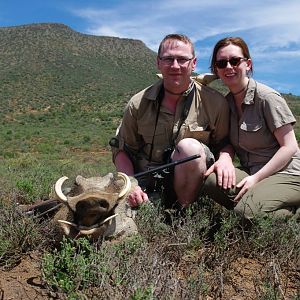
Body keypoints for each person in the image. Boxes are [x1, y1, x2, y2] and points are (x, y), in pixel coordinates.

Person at [110, 34, 235, 209]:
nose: (175, 66)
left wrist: (226, 159)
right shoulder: (138, 103)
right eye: (168, 59)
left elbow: (224, 143)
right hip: (146, 182)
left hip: (194, 185)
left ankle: (183, 214)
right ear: (158, 62)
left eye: (182, 59)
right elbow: (122, 151)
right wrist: (132, 185)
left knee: (189, 148)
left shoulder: (215, 103)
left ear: (193, 63)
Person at [203, 36, 300, 219]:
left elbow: (290, 146)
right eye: (222, 63)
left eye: (234, 61)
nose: (229, 67)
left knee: (246, 212)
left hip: (289, 173)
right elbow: (226, 141)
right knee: (211, 181)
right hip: (252, 171)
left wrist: (256, 179)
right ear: (216, 69)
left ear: (247, 64)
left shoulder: (267, 98)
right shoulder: (225, 104)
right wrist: (225, 158)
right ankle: (258, 205)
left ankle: (292, 214)